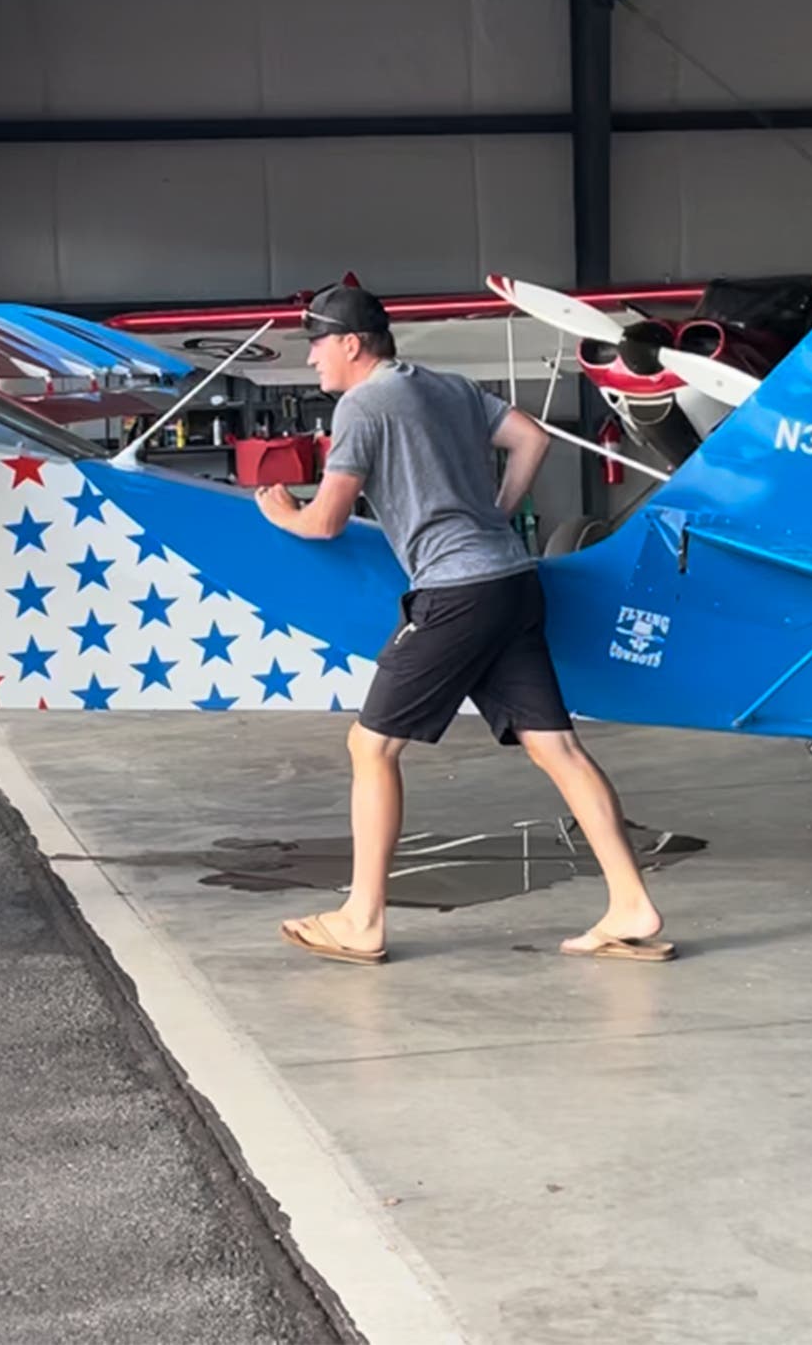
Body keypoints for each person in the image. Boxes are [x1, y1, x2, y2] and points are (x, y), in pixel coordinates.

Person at [254, 281, 672, 966]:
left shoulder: (361, 406)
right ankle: (631, 904)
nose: (312, 358)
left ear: (351, 344)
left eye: (318, 344)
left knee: (371, 747)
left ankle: (361, 919)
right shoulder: (447, 387)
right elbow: (532, 439)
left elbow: (326, 521)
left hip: (456, 593)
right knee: (558, 749)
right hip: (513, 581)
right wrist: (496, 513)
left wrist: (281, 514)